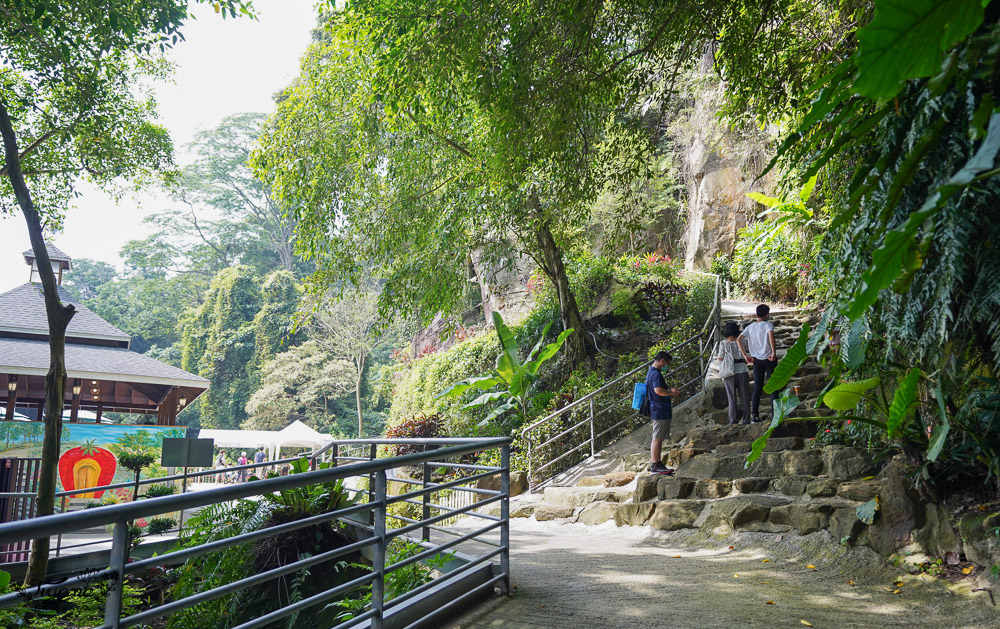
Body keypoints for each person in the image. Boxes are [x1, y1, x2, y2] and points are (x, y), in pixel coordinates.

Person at [737, 303, 779, 423]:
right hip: (769, 359)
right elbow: (771, 335)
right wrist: (773, 353)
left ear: (756, 314)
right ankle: (774, 415)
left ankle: (755, 416)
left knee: (757, 388)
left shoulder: (750, 327)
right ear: (767, 314)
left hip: (756, 360)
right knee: (774, 387)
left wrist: (746, 355)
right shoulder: (768, 325)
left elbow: (739, 339)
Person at [646, 351, 681, 475]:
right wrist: (672, 393)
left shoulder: (652, 372)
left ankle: (658, 463)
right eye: (667, 363)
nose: (667, 366)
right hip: (659, 408)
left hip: (658, 408)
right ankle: (655, 465)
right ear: (662, 361)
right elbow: (658, 390)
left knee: (658, 438)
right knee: (657, 438)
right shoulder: (655, 374)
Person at [714, 321, 751, 425]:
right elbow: (748, 353)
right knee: (745, 397)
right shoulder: (742, 342)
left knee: (731, 397)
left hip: (729, 373)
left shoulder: (723, 344)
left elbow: (720, 358)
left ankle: (733, 420)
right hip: (742, 370)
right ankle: (746, 419)